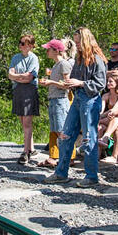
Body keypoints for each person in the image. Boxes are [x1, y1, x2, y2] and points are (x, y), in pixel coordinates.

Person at [44, 27, 107, 188]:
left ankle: (91, 176)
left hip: (90, 101)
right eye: (76, 42)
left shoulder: (97, 60)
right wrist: (70, 83)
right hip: (78, 99)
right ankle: (61, 173)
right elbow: (74, 79)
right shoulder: (79, 59)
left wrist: (81, 83)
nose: (76, 45)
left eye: (78, 42)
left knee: (88, 138)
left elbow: (100, 83)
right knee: (65, 135)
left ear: (86, 41)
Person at [38, 39, 74, 167]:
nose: (46, 51)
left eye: (48, 49)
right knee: (56, 130)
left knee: (62, 131)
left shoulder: (64, 64)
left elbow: (67, 85)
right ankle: (61, 157)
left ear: (56, 50)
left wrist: (50, 83)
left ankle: (69, 158)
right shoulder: (55, 65)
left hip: (60, 100)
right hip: (53, 99)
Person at [9, 34, 40, 164]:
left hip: (29, 91)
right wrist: (20, 76)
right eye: (20, 42)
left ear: (30, 46)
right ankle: (31, 148)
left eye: (23, 43)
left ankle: (25, 152)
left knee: (27, 122)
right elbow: (10, 75)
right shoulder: (15, 58)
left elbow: (29, 78)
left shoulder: (34, 59)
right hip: (18, 90)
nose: (20, 45)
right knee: (23, 121)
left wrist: (18, 76)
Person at [97, 70, 118, 160]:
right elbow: (101, 110)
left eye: (110, 82)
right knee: (99, 128)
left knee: (102, 122)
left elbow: (115, 109)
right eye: (107, 82)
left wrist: (100, 119)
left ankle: (113, 155)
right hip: (108, 118)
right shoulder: (106, 95)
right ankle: (97, 155)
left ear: (117, 83)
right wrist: (99, 115)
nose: (108, 83)